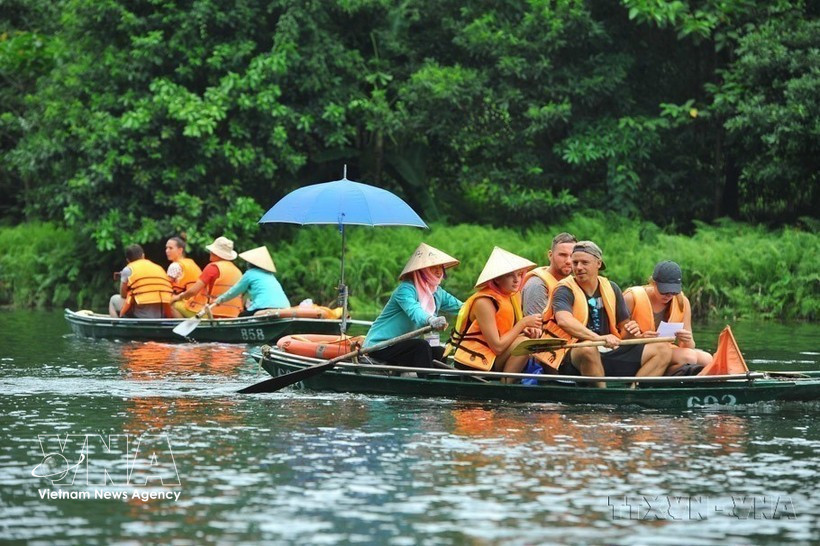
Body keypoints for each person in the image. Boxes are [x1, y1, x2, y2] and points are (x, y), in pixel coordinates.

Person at [540, 241, 672, 388]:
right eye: (575, 262)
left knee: (663, 349)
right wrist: (598, 338)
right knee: (588, 349)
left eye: (584, 262)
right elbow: (564, 321)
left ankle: (633, 392)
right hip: (573, 353)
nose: (578, 267)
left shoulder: (612, 288)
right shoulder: (564, 289)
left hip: (608, 350)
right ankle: (603, 398)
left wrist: (633, 333)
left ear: (598, 263)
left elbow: (624, 329)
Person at [364, 243, 463, 369]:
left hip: (403, 345)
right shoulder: (405, 290)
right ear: (423, 270)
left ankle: (437, 381)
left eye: (440, 267)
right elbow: (415, 311)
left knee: (439, 351)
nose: (439, 271)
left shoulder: (438, 292)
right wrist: (431, 319)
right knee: (421, 346)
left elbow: (462, 307)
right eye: (433, 267)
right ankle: (427, 384)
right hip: (381, 345)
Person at [449, 247, 543, 380]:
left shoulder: (512, 296)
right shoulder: (484, 302)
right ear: (497, 279)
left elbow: (507, 332)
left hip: (493, 358)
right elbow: (497, 347)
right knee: (524, 344)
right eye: (510, 275)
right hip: (474, 363)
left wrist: (526, 330)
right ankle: (506, 386)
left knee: (526, 340)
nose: (517, 280)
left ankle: (508, 383)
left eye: (520, 274)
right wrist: (522, 324)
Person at [624, 260, 713, 375]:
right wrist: (640, 337)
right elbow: (617, 338)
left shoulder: (683, 302)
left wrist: (688, 339)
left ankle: (674, 375)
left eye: (673, 292)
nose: (669, 296)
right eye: (664, 291)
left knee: (708, 359)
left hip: (666, 350)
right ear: (654, 283)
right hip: (637, 350)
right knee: (689, 357)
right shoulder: (631, 297)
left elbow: (689, 346)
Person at [170, 236, 244, 318]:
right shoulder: (237, 271)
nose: (210, 252)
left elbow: (193, 291)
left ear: (216, 253)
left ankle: (188, 329)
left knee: (174, 305)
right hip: (233, 315)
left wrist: (178, 297)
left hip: (211, 314)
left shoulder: (213, 267)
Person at [212, 246, 290, 317]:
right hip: (284, 307)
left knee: (241, 316)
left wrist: (219, 300)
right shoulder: (270, 276)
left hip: (263, 307)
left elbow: (234, 291)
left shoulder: (250, 274)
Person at [108, 244, 173, 318]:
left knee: (113, 299)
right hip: (162, 313)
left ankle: (116, 327)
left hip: (142, 314)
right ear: (143, 256)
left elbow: (123, 295)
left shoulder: (128, 269)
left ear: (128, 260)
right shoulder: (159, 268)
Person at [522, 232, 577, 315]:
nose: (569, 261)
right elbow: (535, 326)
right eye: (562, 255)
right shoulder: (537, 285)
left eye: (572, 256)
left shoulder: (574, 283)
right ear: (550, 255)